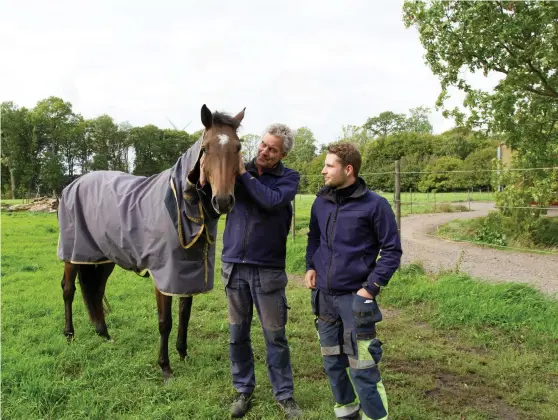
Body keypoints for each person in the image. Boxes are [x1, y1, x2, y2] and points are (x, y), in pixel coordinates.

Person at [304, 142, 402, 420]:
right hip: (323, 299)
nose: (323, 171)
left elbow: (392, 251)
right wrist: (311, 266)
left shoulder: (375, 205)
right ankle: (346, 414)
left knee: (363, 368)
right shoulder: (321, 202)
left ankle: (375, 417)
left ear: (348, 169)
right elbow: (313, 237)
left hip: (356, 301)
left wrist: (370, 289)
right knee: (332, 363)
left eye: (329, 165)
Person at [220, 123, 303, 418]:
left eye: (273, 149)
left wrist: (243, 174)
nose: (265, 151)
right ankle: (243, 390)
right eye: (264, 145)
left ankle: (285, 395)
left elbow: (271, 201)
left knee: (275, 337)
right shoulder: (235, 167)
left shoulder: (289, 178)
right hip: (234, 266)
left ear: (282, 154)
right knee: (237, 334)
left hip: (268, 270)